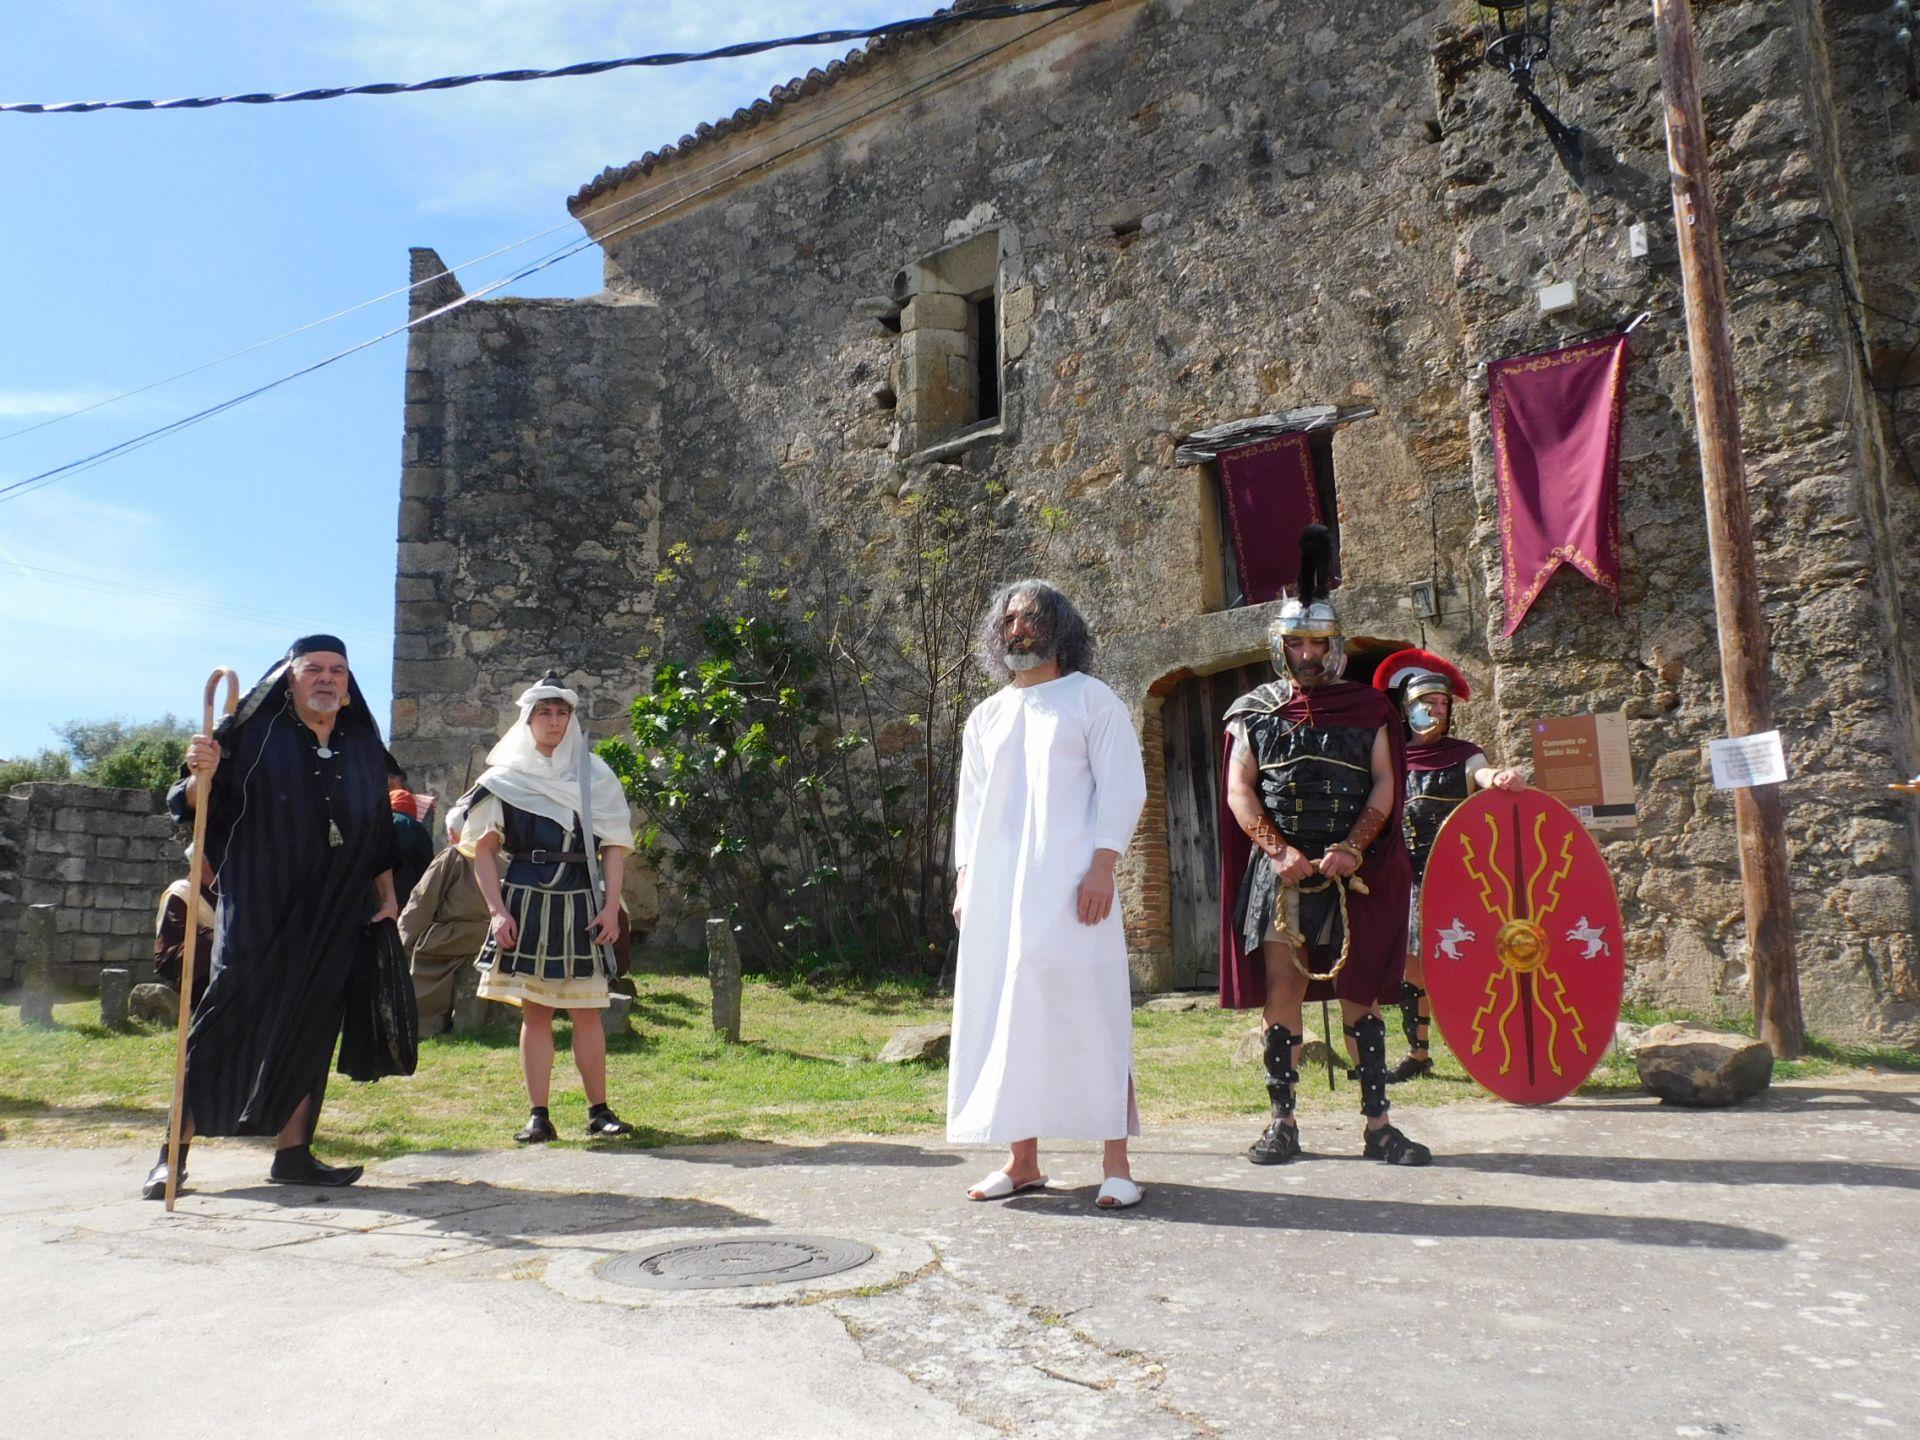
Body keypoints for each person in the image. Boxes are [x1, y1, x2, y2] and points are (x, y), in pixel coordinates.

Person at [143, 635, 398, 1199]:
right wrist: (199, 772)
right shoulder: (251, 734)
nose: (327, 679)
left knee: (313, 1020)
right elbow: (188, 804)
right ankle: (172, 1156)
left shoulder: (361, 746)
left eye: (338, 670)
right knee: (228, 1013)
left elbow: (378, 826)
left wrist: (386, 890)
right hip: (260, 896)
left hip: (336, 903)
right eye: (313, 670)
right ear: (289, 677)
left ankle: (294, 1154)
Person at [1220, 526, 1430, 1167]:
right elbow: (1240, 791)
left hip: (1351, 871)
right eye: (1296, 642)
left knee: (1360, 990)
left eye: (1318, 642)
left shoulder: (1369, 710)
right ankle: (1282, 1122)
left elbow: (1387, 787)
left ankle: (1378, 1127)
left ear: (1334, 645)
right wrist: (1278, 852)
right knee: (1281, 988)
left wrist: (1353, 848)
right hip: (1280, 873)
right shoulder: (1253, 711)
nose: (1308, 654)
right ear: (1279, 645)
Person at [949, 580, 1149, 1210]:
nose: (1018, 629)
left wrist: (1102, 867)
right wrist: (964, 879)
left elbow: (1124, 787)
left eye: (1031, 618)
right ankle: (1022, 1160)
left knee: (1094, 1012)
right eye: (1008, 619)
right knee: (1008, 1015)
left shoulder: (1092, 701)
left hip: (1072, 889)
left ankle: (1116, 1163)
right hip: (998, 896)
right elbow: (971, 807)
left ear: (1059, 627)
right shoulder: (986, 715)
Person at [457, 672, 636, 1142]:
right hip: (525, 900)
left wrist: (611, 906)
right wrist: (498, 910)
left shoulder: (595, 775)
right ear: (529, 719)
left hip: (582, 903)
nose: (555, 721)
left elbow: (614, 847)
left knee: (588, 1011)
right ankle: (538, 1115)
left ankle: (599, 1111)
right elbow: (483, 849)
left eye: (562, 713)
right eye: (545, 713)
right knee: (535, 1012)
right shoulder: (503, 779)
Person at [1371, 649, 1528, 1081]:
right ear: (1408, 710)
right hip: (1405, 877)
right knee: (1410, 965)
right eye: (1427, 704)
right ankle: (1419, 1055)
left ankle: (1489, 1047)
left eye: (1442, 704)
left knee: (1472, 963)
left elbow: (1482, 775)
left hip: (1458, 877)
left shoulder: (1465, 754)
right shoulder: (1392, 759)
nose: (1436, 711)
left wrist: (1498, 778)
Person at [399, 805, 491, 1037]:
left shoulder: (453, 856)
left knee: (419, 955)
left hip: (454, 935)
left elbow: (422, 900)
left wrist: (402, 938)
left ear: (452, 833)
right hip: (486, 935)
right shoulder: (495, 855)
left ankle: (425, 1024)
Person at [151, 844, 216, 1009]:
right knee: (200, 948)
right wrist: (215, 935)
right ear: (201, 866)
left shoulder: (220, 890)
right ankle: (197, 1002)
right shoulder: (180, 892)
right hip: (176, 952)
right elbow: (184, 928)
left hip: (213, 943)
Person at [385, 753, 436, 908]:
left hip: (408, 869)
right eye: (385, 777)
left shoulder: (423, 805)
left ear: (402, 779)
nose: (388, 781)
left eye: (393, 776)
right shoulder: (375, 807)